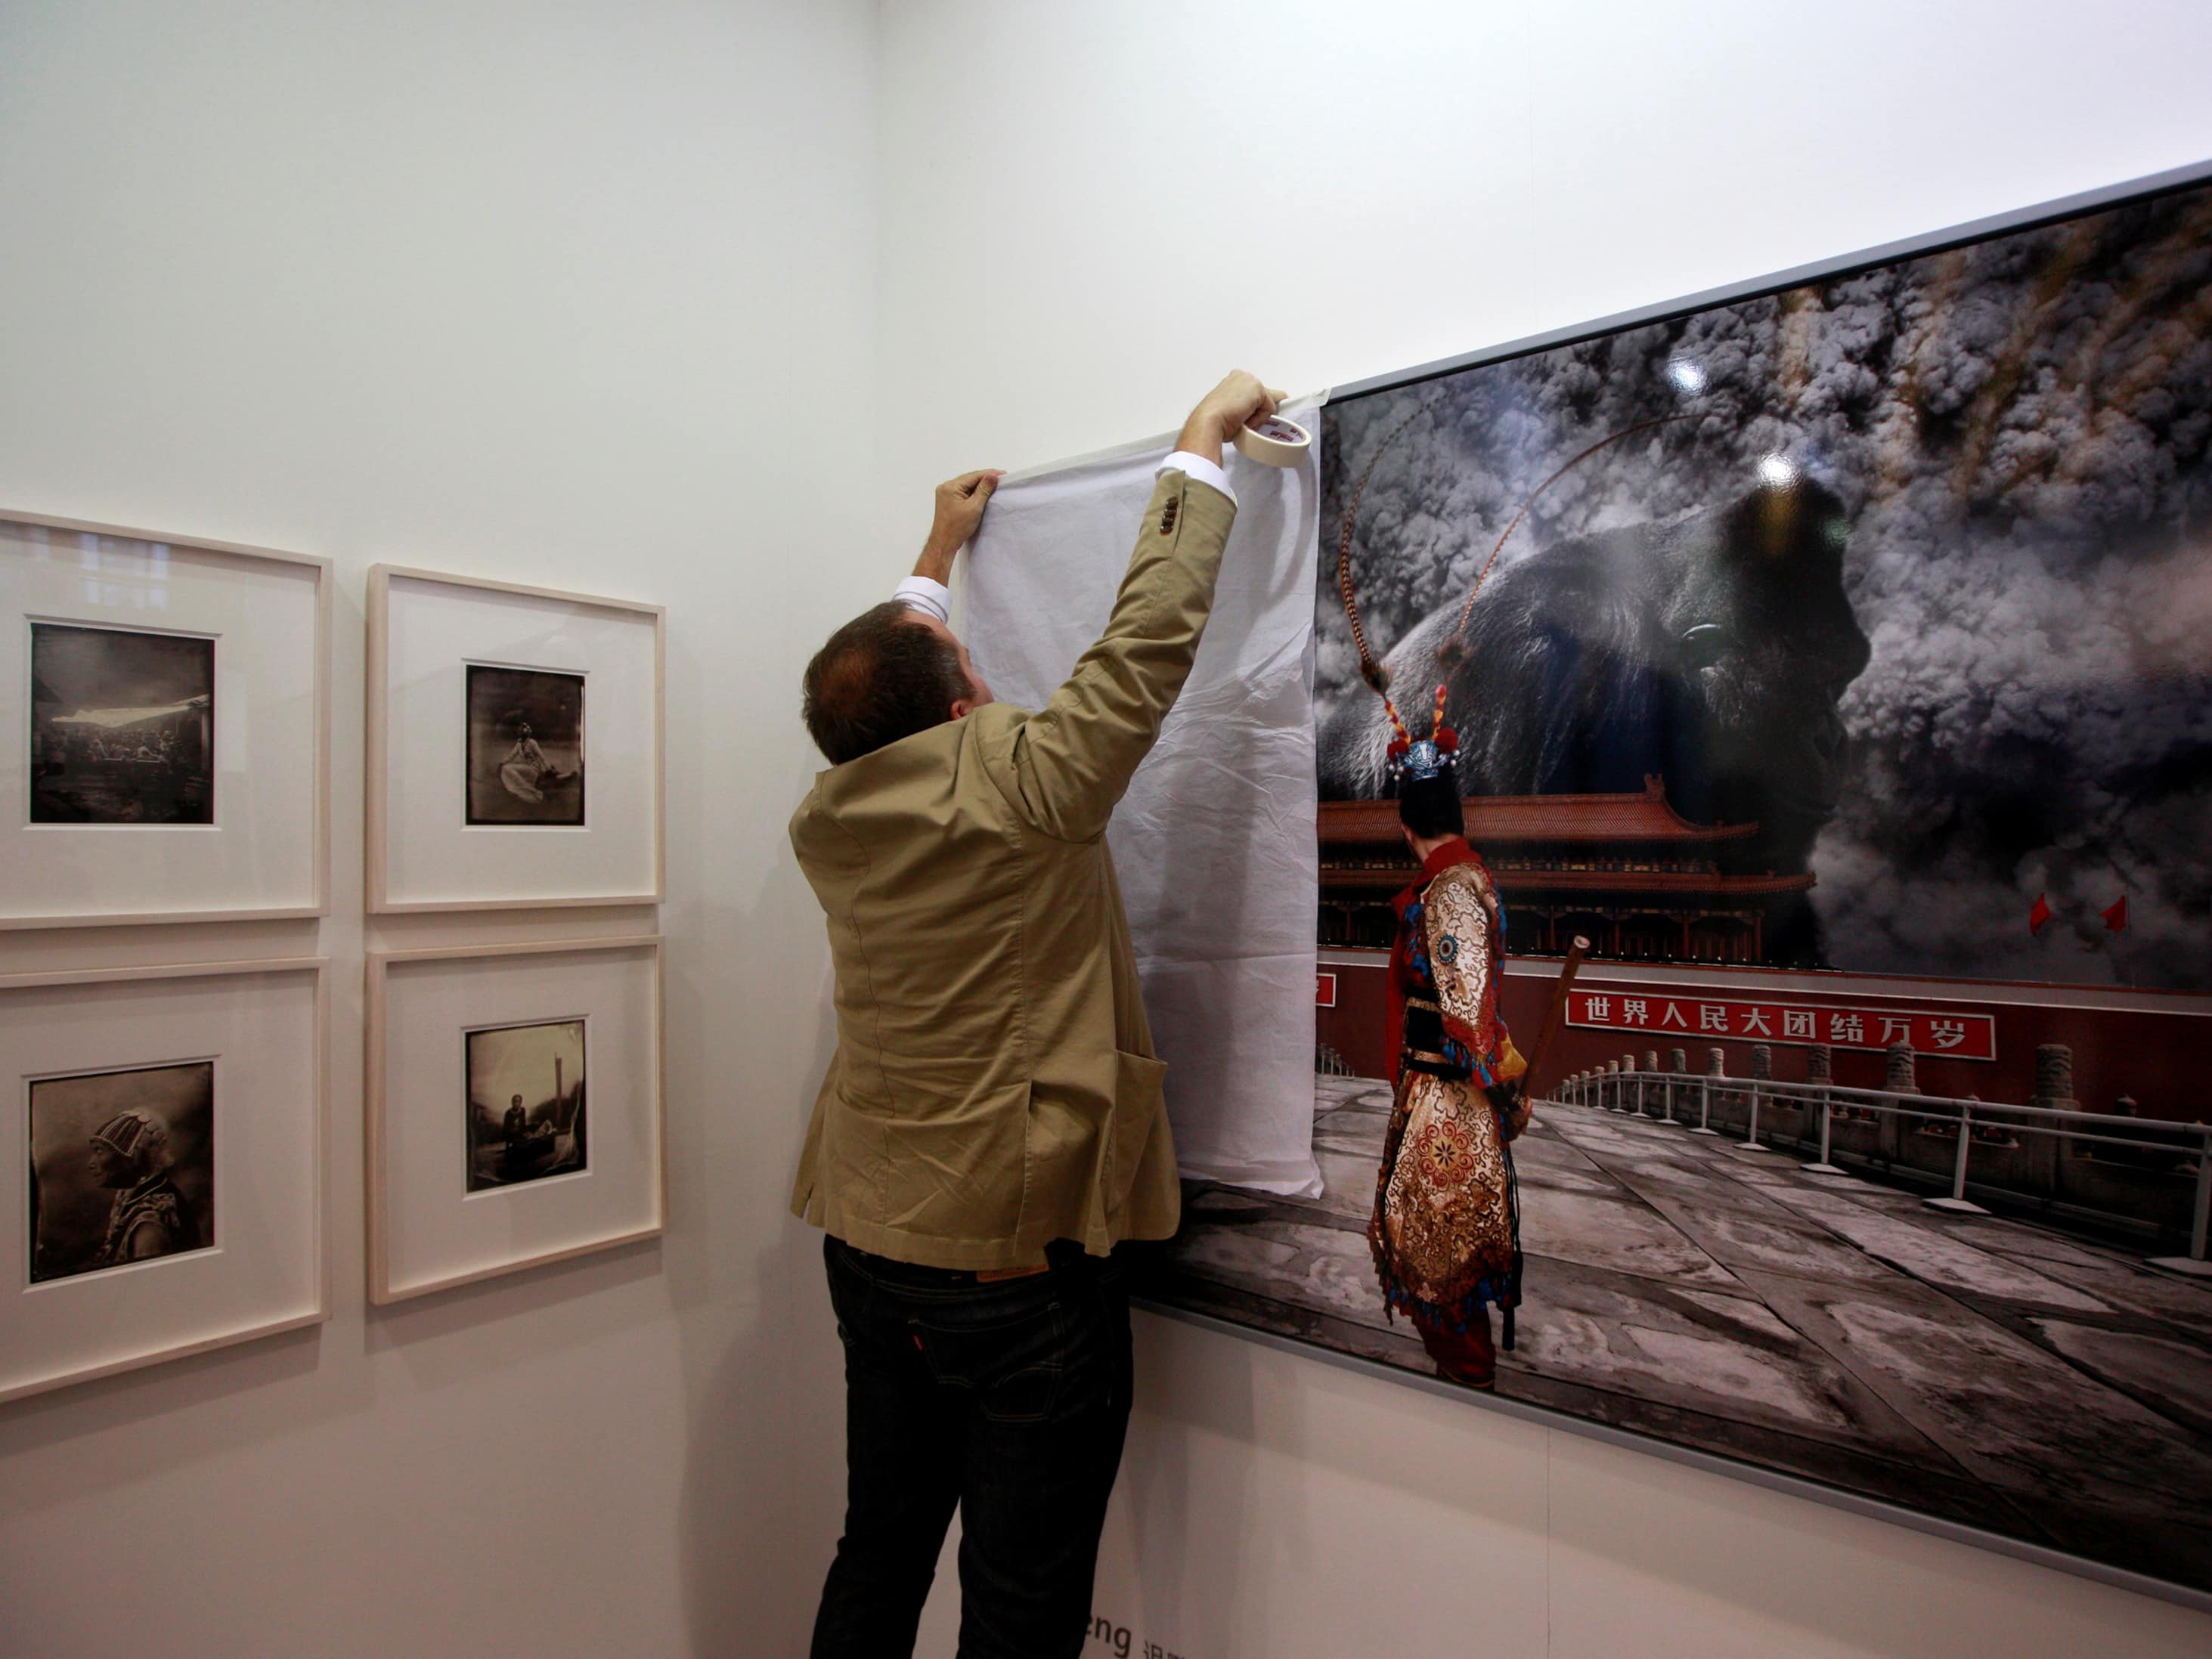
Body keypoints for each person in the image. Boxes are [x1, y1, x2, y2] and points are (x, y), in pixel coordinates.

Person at [790, 370, 1282, 1659]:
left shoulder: (831, 815)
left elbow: (875, 699)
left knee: (879, 1548)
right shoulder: (1018, 786)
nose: (990, 678)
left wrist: (933, 561)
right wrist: (1197, 448)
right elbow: (1144, 645)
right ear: (963, 712)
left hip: (869, 1247)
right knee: (1018, 1606)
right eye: (972, 669)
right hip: (1013, 1283)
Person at [1366, 713, 1531, 1389]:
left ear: (1405, 823)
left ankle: (1471, 1379)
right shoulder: (1460, 880)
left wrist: (1497, 1081)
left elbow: (1464, 1008)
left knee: (1439, 1246)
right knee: (1427, 1237)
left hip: (1449, 1099)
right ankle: (1461, 1373)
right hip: (1438, 1090)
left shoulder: (1453, 890)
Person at [87, 1109, 199, 1269]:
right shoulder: (131, 1196)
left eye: (99, 1151)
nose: (90, 1163)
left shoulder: (150, 1223)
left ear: (135, 1154)